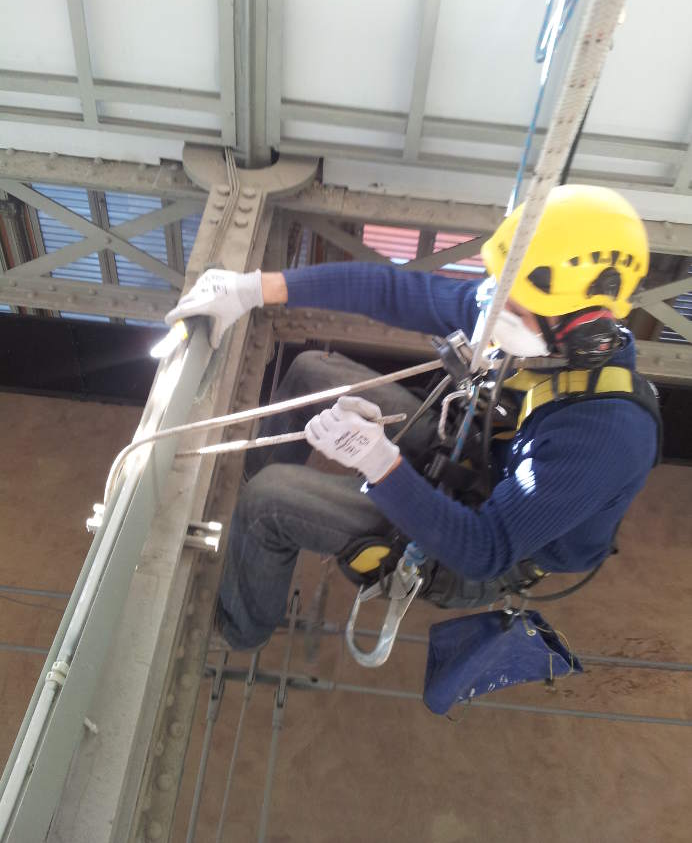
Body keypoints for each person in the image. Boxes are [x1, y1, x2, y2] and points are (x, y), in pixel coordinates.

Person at [166, 185, 660, 651]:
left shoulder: (606, 436)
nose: (493, 310)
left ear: (580, 325)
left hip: (493, 545)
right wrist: (251, 289)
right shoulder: (531, 325)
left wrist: (378, 462)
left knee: (270, 500)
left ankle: (238, 629)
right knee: (311, 371)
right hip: (477, 455)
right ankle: (250, 531)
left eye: (514, 304)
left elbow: (482, 549)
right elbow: (391, 292)